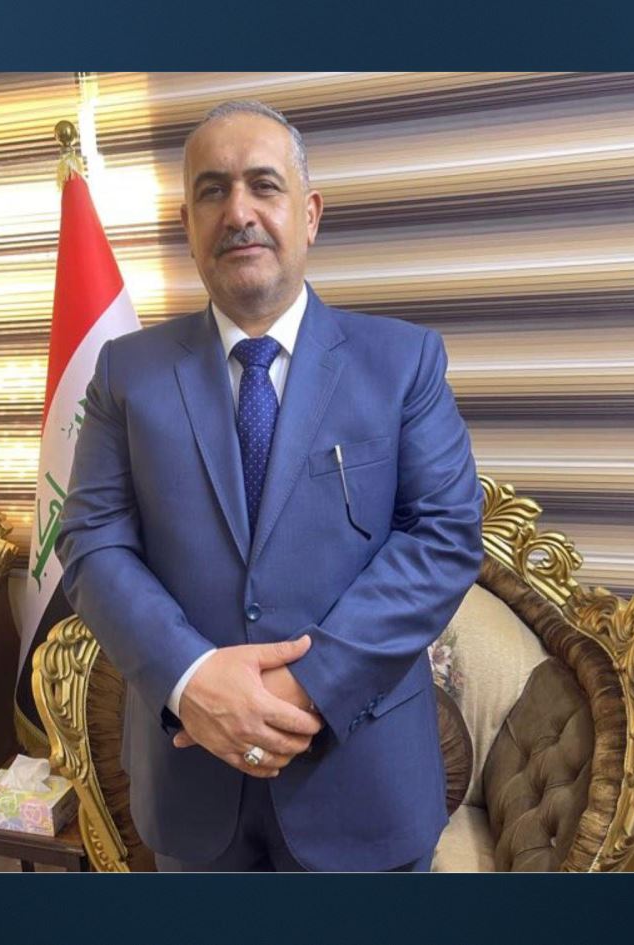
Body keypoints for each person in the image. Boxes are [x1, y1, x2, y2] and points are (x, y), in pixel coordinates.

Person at [55, 100, 483, 872]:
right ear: (188, 223)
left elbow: (444, 536)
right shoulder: (125, 373)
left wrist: (306, 685)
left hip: (364, 783)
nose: (239, 212)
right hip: (191, 788)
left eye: (264, 184)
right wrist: (191, 677)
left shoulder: (403, 362)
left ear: (309, 213)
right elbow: (91, 540)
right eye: (212, 191)